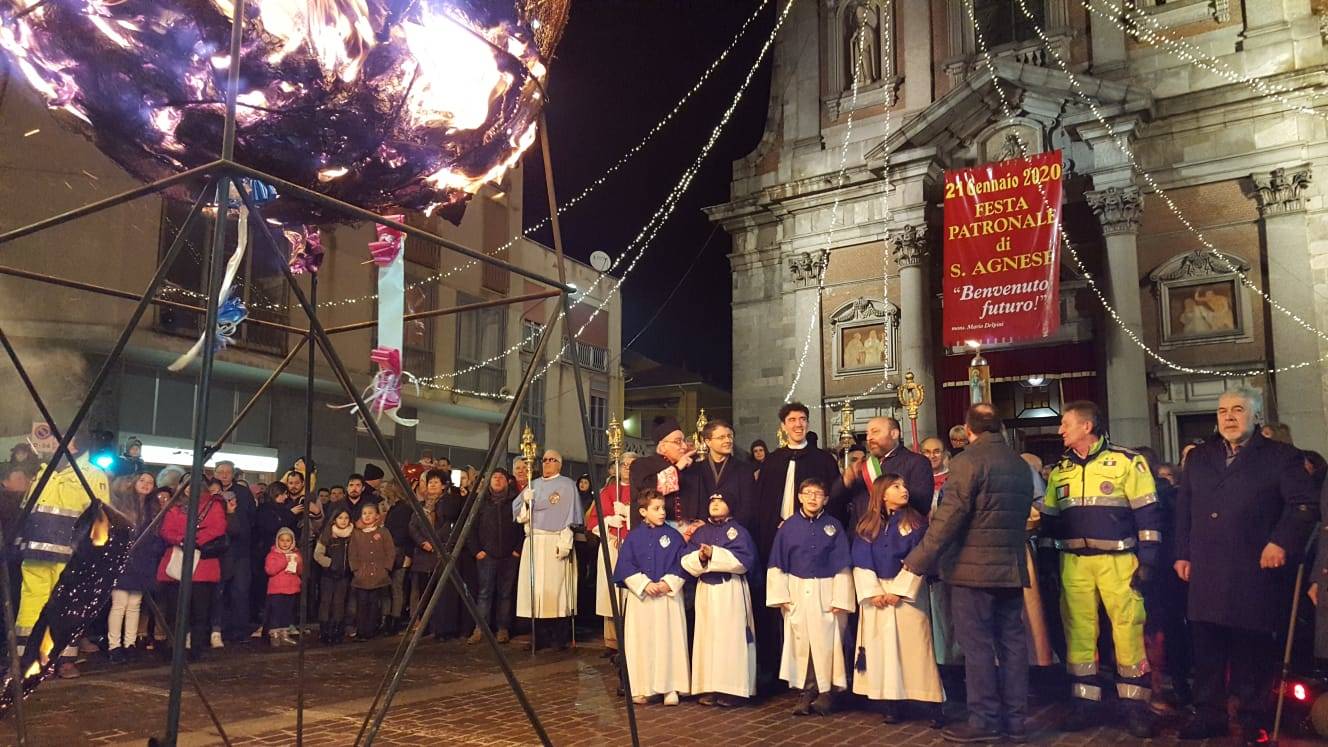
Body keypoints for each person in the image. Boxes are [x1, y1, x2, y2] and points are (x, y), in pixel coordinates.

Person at [1177, 388, 1317, 742]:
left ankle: (1252, 717)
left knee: (1250, 651)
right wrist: (1182, 552)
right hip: (1206, 568)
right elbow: (1184, 509)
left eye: (1238, 409)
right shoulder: (1200, 457)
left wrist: (1281, 541)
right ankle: (1208, 714)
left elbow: (1304, 504)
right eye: (1223, 410)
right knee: (1206, 649)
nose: (1229, 416)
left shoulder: (1282, 456)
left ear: (1255, 416)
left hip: (1253, 570)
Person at [902, 403, 1035, 743]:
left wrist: (919, 559)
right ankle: (1016, 719)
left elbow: (950, 518)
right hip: (1010, 566)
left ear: (968, 430)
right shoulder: (1019, 465)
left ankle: (983, 720)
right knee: (1012, 645)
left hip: (970, 571)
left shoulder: (966, 462)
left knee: (976, 647)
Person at [1041, 401, 1160, 737]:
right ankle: (1084, 703)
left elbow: (1149, 514)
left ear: (1087, 426)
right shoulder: (1060, 469)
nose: (1060, 430)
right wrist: (1049, 560)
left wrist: (1148, 559)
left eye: (1066, 424)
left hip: (1119, 562)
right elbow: (1051, 520)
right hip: (1074, 563)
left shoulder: (1127, 462)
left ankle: (1135, 707)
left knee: (1128, 631)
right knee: (1078, 633)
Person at [752, 402, 840, 694]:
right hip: (777, 542)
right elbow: (762, 503)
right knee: (781, 605)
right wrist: (774, 528)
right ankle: (778, 669)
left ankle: (815, 677)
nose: (798, 424)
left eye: (803, 419)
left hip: (813, 546)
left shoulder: (823, 460)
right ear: (783, 426)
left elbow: (835, 500)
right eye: (792, 420)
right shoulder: (772, 462)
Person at [850, 473, 943, 723]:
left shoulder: (916, 523)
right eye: (896, 486)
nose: (904, 490)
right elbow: (861, 559)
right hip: (878, 594)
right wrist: (874, 592)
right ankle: (891, 701)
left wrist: (899, 590)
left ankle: (932, 702)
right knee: (883, 649)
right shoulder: (867, 525)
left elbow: (921, 555)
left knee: (916, 649)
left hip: (906, 594)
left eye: (904, 485)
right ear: (882, 494)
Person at [16, 432, 109, 678]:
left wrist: (93, 554)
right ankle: (27, 658)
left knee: (66, 605)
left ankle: (64, 659)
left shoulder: (92, 474)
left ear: (73, 441)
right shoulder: (42, 470)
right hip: (36, 550)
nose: (52, 442)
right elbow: (28, 507)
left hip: (71, 554)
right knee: (31, 604)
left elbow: (101, 517)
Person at [766, 477, 854, 716]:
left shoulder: (834, 526)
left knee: (828, 641)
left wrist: (841, 598)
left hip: (827, 589)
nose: (813, 498)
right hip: (797, 589)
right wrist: (780, 594)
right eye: (808, 493)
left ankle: (828, 692)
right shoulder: (788, 527)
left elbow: (843, 564)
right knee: (801, 640)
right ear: (800, 497)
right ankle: (807, 689)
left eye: (818, 493)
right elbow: (777, 562)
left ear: (825, 499)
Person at [613, 489, 690, 706]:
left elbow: (682, 563)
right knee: (641, 642)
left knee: (669, 640)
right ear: (643, 511)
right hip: (642, 599)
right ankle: (641, 687)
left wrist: (667, 583)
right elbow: (626, 565)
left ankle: (671, 687)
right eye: (656, 509)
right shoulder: (633, 537)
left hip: (668, 597)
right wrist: (645, 584)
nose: (662, 513)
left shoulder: (674, 536)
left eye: (663, 508)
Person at [682, 491, 758, 706]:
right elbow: (686, 561)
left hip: (730, 589)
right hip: (706, 590)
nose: (714, 505)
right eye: (712, 501)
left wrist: (714, 554)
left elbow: (744, 562)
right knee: (707, 638)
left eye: (720, 501)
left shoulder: (738, 532)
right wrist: (700, 557)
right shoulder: (700, 532)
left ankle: (733, 689)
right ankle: (709, 687)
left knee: (730, 639)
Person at [514, 450, 581, 650]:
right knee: (536, 590)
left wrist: (566, 541)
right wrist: (526, 501)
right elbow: (520, 516)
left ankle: (560, 636)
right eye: (544, 460)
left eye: (552, 460)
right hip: (535, 540)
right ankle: (538, 636)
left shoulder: (566, 485)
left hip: (555, 540)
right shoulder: (533, 484)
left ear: (559, 464)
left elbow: (569, 516)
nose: (547, 463)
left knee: (558, 589)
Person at [156, 478, 228, 661]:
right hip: (178, 564)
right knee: (175, 611)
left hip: (202, 565)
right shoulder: (175, 507)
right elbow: (166, 530)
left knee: (200, 611)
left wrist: (194, 540)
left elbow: (218, 528)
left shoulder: (213, 505)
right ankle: (175, 646)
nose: (189, 489)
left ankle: (196, 647)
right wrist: (182, 540)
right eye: (186, 486)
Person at [833, 416, 933, 527]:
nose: (869, 438)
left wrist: (894, 492)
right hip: (862, 535)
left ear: (894, 434)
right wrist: (845, 482)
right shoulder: (864, 467)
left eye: (875, 432)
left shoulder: (917, 462)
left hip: (898, 534)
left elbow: (922, 503)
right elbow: (835, 503)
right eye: (867, 434)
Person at [587, 452, 637, 654]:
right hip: (611, 544)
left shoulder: (642, 490)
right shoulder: (607, 491)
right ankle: (612, 641)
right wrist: (608, 523)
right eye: (624, 464)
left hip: (633, 546)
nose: (627, 468)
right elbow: (592, 521)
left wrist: (627, 513)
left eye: (632, 464)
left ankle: (632, 637)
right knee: (610, 594)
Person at [107, 471, 158, 663]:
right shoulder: (121, 505)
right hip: (123, 559)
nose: (146, 484)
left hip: (142, 559)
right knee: (119, 604)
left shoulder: (152, 508)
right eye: (142, 480)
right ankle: (115, 645)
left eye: (150, 481)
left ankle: (130, 643)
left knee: (135, 604)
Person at [469, 469, 522, 644]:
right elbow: (471, 528)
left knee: (505, 594)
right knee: (484, 593)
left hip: (509, 556)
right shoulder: (481, 502)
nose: (498, 480)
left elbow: (522, 527)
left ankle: (502, 628)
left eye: (501, 478)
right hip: (487, 555)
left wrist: (517, 550)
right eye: (494, 477)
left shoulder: (515, 501)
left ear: (508, 482)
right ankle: (480, 628)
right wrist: (477, 551)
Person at [682, 420, 758, 535]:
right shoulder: (695, 470)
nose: (728, 440)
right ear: (708, 441)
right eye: (721, 437)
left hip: (734, 533)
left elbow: (748, 507)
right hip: (703, 533)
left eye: (730, 436)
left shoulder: (744, 469)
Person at [212, 460, 255, 643]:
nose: (224, 475)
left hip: (239, 550)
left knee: (240, 591)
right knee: (217, 592)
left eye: (227, 472)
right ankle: (216, 629)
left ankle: (239, 631)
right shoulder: (210, 491)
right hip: (216, 550)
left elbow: (251, 517)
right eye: (220, 471)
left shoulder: (243, 493)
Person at [630, 416, 697, 531]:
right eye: (678, 442)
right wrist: (677, 468)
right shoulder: (641, 465)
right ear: (662, 446)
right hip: (654, 530)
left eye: (684, 441)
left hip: (688, 529)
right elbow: (648, 490)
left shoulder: (690, 467)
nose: (684, 446)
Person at [349, 502, 394, 641]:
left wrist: (386, 568)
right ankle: (361, 630)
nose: (367, 516)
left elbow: (390, 551)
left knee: (375, 603)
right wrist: (356, 570)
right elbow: (352, 553)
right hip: (361, 575)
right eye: (364, 513)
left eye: (370, 513)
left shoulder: (383, 532)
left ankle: (371, 630)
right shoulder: (357, 534)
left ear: (377, 516)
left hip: (378, 574)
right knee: (362, 603)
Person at [314, 506, 353, 645]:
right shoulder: (327, 534)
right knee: (326, 602)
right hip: (328, 574)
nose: (343, 521)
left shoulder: (352, 535)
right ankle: (324, 630)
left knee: (339, 603)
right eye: (340, 518)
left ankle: (337, 630)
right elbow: (318, 554)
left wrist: (350, 565)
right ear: (334, 519)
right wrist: (330, 563)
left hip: (344, 575)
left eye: (346, 518)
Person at [264, 527, 302, 646]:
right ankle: (274, 634)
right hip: (277, 590)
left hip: (291, 589)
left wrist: (298, 562)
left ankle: (284, 633)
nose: (285, 543)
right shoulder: (272, 555)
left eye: (288, 540)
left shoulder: (296, 554)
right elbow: (270, 570)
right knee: (276, 612)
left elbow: (300, 571)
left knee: (287, 612)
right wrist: (284, 561)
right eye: (282, 540)